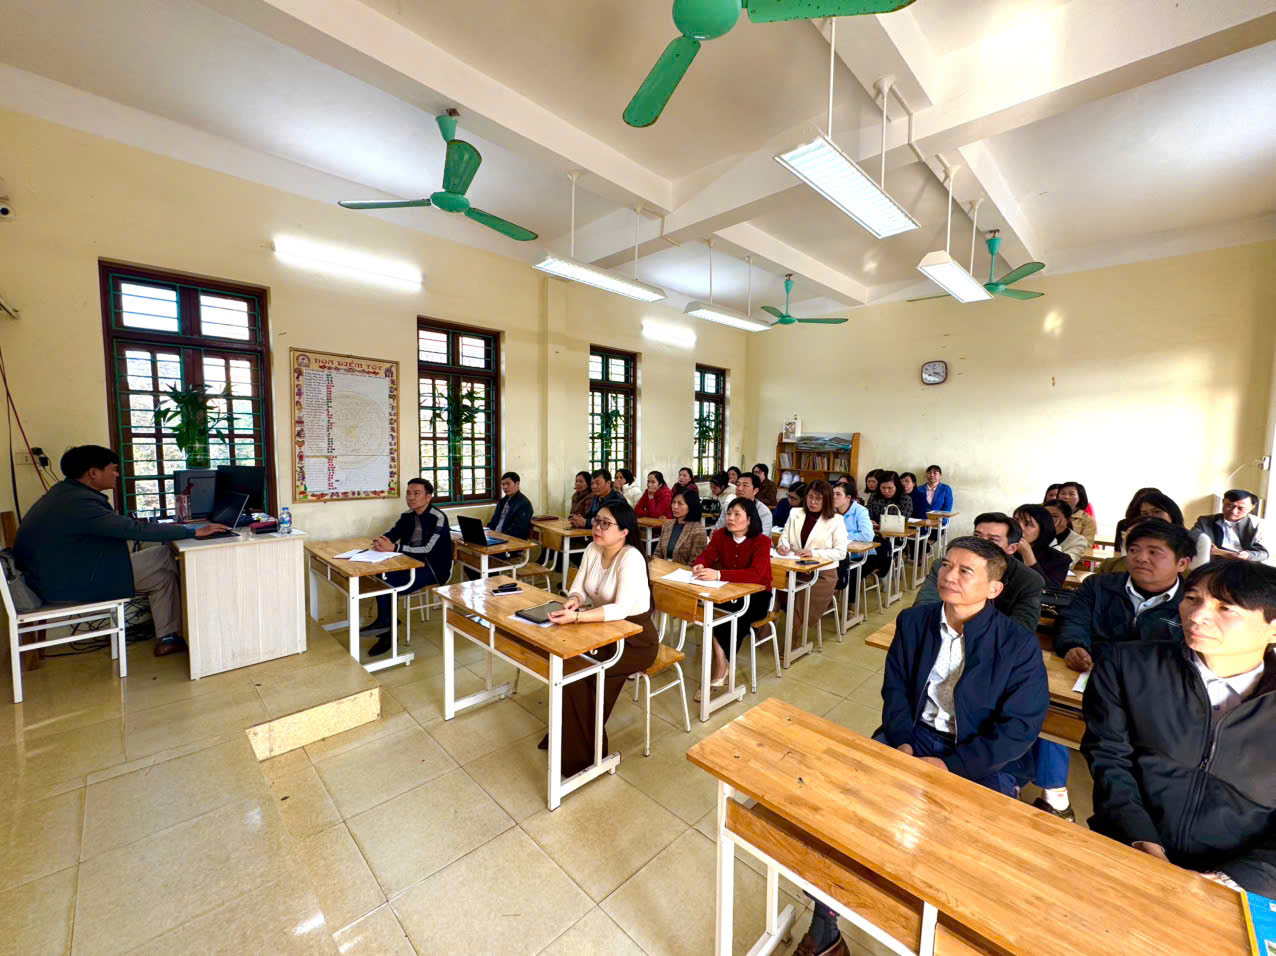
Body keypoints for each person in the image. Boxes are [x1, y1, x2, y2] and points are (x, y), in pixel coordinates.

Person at [796, 537, 1046, 956]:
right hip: (913, 735)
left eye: (965, 571)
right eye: (946, 565)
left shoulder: (1017, 645)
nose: (950, 576)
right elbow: (894, 688)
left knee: (972, 856)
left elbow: (1019, 728)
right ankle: (826, 923)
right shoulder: (915, 621)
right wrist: (903, 743)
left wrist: (951, 766)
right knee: (846, 819)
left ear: (994, 589)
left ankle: (946, 937)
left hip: (975, 753)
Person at [1082, 560, 1276, 895]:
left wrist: (1235, 880)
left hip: (1242, 880)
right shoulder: (1127, 664)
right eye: (1192, 598)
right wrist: (1140, 839)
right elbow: (1109, 757)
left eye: (1225, 608)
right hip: (1128, 847)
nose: (1197, 615)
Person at [13, 444, 230, 657]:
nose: (117, 475)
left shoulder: (64, 494)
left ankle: (168, 638)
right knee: (167, 555)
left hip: (57, 579)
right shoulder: (79, 503)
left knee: (162, 578)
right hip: (70, 583)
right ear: (93, 473)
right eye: (113, 469)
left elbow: (117, 526)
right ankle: (212, 625)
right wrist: (193, 531)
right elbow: (132, 529)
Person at [543, 501, 659, 777]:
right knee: (570, 666)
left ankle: (583, 757)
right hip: (603, 630)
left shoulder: (631, 558)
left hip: (635, 639)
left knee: (582, 674)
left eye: (606, 524)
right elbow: (579, 587)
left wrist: (578, 617)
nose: (597, 527)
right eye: (597, 521)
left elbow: (621, 609)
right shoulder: (592, 549)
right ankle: (571, 743)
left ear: (624, 531)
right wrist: (574, 600)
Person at [1054, 518, 1192, 672]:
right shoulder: (1097, 585)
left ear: (1182, 564)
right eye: (1133, 550)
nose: (1140, 558)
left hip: (1155, 680)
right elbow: (1074, 619)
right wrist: (1074, 646)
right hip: (1093, 669)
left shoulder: (1195, 605)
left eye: (1153, 552)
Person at [914, 513, 1044, 634]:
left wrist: (968, 633)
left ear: (1012, 548)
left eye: (992, 540)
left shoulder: (1029, 581)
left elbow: (1021, 629)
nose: (981, 544)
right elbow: (924, 605)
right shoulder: (945, 566)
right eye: (977, 536)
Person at [692, 498, 772, 693]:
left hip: (757, 596)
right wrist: (700, 564)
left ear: (749, 519)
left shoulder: (762, 541)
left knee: (733, 616)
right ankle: (722, 662)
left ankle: (720, 667)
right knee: (710, 612)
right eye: (729, 513)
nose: (730, 518)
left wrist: (719, 575)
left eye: (737, 514)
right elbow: (708, 555)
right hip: (728, 592)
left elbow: (756, 574)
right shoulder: (721, 535)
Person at [366, 477, 453, 654]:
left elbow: (428, 549)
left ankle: (387, 629)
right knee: (381, 576)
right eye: (408, 493)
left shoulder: (438, 517)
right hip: (409, 563)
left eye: (416, 493)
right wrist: (381, 541)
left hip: (434, 568)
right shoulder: (407, 515)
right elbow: (393, 533)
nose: (411, 497)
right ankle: (387, 624)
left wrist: (395, 548)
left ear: (428, 497)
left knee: (389, 583)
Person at [776, 480, 847, 640]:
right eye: (810, 497)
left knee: (800, 601)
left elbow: (841, 552)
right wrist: (783, 546)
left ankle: (792, 641)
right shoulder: (795, 513)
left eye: (818, 499)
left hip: (821, 575)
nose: (813, 502)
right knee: (772, 589)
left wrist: (813, 553)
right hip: (794, 569)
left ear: (826, 500)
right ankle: (766, 632)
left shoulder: (836, 520)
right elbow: (784, 537)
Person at [1097, 493, 1209, 573]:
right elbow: (1126, 565)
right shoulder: (1133, 535)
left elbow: (1197, 576)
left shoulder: (1198, 539)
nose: (1151, 517)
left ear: (1172, 513)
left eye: (1157, 512)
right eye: (1145, 514)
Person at [462, 471, 533, 581]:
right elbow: (493, 522)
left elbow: (518, 531)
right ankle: (484, 583)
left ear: (517, 484)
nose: (505, 487)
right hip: (496, 539)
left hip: (510, 545)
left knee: (484, 560)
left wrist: (497, 536)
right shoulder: (503, 501)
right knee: (468, 559)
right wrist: (486, 531)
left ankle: (490, 584)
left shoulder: (524, 504)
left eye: (508, 484)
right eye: (503, 484)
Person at [1193, 489, 1270, 564]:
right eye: (1229, 505)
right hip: (1213, 563)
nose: (1233, 511)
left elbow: (1263, 553)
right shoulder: (1204, 521)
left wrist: (1248, 555)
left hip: (1244, 564)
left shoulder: (1258, 525)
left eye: (1241, 508)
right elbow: (1192, 539)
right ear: (1223, 502)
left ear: (1252, 507)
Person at [863, 470, 913, 581]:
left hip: (894, 537)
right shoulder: (874, 496)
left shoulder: (905, 499)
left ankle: (878, 571)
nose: (886, 491)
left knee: (880, 547)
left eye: (890, 488)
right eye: (883, 487)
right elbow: (866, 513)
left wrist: (880, 525)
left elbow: (903, 519)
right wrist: (870, 521)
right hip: (873, 533)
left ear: (897, 486)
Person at [1011, 503, 1072, 589]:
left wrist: (1027, 555)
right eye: (1015, 521)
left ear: (1043, 529)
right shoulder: (1001, 549)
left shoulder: (1059, 559)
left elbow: (1049, 591)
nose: (1018, 528)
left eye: (1028, 524)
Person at [654, 486, 708, 564]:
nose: (675, 507)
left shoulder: (698, 530)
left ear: (690, 506)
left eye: (680, 503)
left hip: (683, 570)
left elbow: (695, 562)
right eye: (673, 502)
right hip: (663, 567)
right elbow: (657, 553)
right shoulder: (667, 524)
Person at [1112, 487, 1163, 552]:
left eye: (1156, 511)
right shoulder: (1124, 524)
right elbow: (1118, 551)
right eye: (1145, 513)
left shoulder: (1167, 528)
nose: (1150, 515)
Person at [1044, 500, 1087, 567]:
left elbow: (1064, 564)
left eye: (1054, 516)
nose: (1048, 519)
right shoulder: (1034, 534)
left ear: (1067, 519)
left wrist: (1051, 535)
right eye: (1045, 515)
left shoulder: (1079, 541)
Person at [1057, 481, 1096, 547]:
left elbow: (1086, 545)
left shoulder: (1087, 520)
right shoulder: (1049, 514)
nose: (1066, 497)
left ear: (1080, 497)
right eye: (1063, 493)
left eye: (1071, 494)